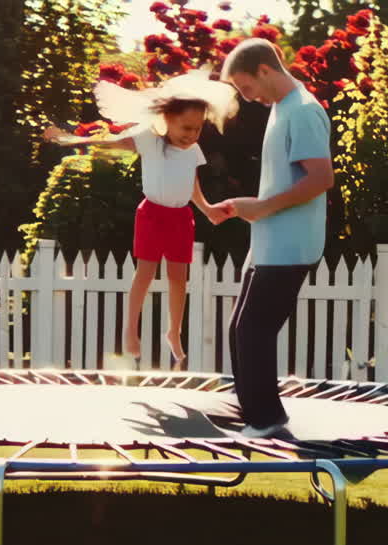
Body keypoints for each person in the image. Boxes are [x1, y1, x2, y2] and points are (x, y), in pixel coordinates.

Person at [43, 73, 237, 367]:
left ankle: (174, 331)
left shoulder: (193, 150)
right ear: (166, 120)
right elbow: (111, 141)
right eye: (186, 127)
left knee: (178, 277)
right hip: (152, 214)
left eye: (197, 129)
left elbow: (192, 184)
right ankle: (130, 330)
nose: (191, 135)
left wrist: (208, 208)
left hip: (181, 217)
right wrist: (70, 137)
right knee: (145, 272)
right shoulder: (149, 140)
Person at [213, 39, 334, 439]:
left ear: (265, 70)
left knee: (254, 331)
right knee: (239, 329)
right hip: (268, 242)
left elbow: (321, 179)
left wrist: (263, 209)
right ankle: (256, 412)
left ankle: (266, 420)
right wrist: (249, 206)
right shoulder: (282, 109)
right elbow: (285, 179)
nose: (248, 98)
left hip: (290, 244)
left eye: (247, 88)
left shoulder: (302, 110)